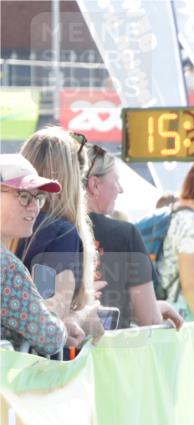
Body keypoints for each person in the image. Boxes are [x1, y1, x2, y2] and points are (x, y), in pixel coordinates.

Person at [83, 143, 183, 329]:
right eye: (116, 181)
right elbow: (149, 319)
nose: (120, 190)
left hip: (51, 354)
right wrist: (161, 306)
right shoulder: (125, 235)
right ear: (94, 185)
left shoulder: (45, 230)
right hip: (112, 351)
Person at [17, 127, 103, 341]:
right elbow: (49, 316)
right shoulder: (59, 233)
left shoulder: (16, 225)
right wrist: (83, 314)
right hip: (35, 366)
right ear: (71, 177)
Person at [0, 154, 83, 354]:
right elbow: (49, 336)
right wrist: (70, 323)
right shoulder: (7, 267)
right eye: (24, 196)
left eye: (38, 197)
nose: (35, 207)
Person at [158, 162, 194, 321]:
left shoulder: (173, 214)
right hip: (187, 314)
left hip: (171, 310)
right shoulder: (193, 223)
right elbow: (190, 284)